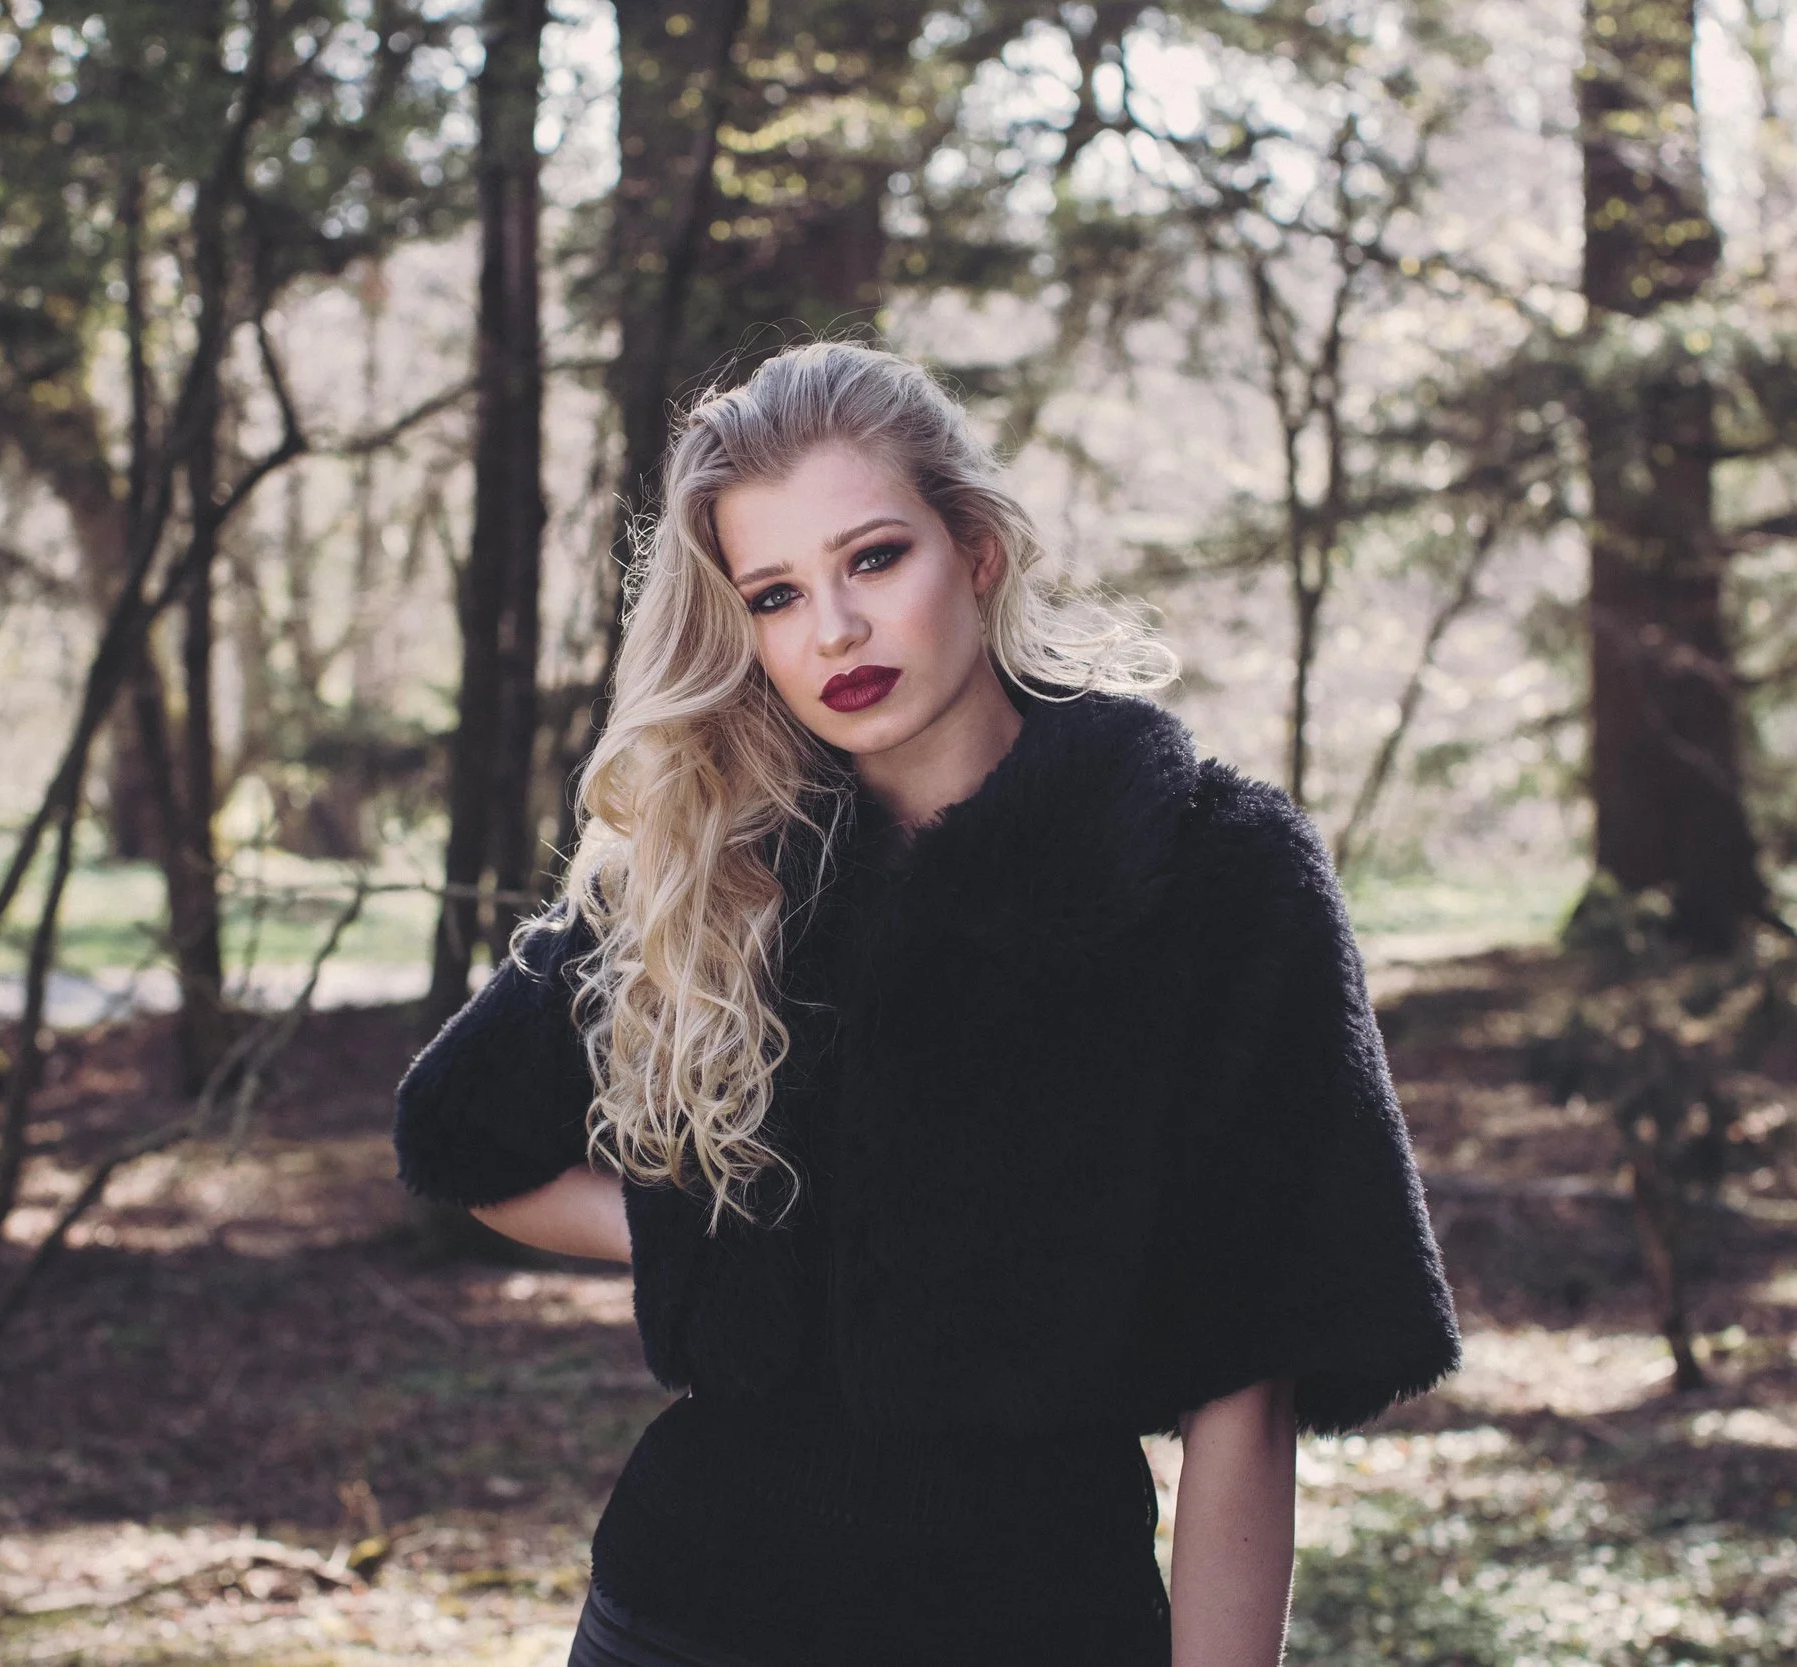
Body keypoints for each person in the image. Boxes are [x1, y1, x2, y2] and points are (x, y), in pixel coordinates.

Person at [392, 340, 1462, 1667]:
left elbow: (1247, 1382)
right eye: (775, 594)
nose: (832, 630)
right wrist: (711, 1230)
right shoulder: (718, 861)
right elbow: (465, 1139)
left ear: (978, 549)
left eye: (874, 559)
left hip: (1036, 1616)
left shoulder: (1208, 871)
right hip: (685, 1614)